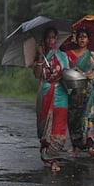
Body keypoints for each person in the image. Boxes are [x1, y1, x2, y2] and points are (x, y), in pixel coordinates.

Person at [64, 27, 94, 157]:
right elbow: (65, 70)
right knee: (74, 118)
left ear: (88, 40)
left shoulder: (92, 55)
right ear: (76, 39)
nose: (82, 39)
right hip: (74, 91)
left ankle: (90, 146)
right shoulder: (68, 54)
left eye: (84, 37)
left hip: (89, 91)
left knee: (89, 117)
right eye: (80, 37)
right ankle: (75, 146)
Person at [33, 27, 69, 172]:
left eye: (53, 37)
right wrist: (41, 57)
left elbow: (67, 73)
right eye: (48, 37)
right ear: (44, 40)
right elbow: (37, 75)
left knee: (59, 128)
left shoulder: (63, 56)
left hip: (61, 93)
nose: (51, 40)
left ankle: (52, 157)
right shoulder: (41, 56)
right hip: (46, 92)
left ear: (57, 39)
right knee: (45, 127)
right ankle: (49, 157)